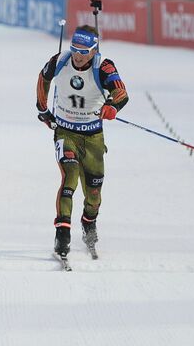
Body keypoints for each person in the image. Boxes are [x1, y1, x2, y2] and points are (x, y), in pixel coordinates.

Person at [35, 25, 128, 257]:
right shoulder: (60, 60)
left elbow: (122, 93)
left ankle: (89, 222)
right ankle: (62, 234)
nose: (78, 55)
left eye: (84, 51)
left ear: (94, 50)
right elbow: (43, 78)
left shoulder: (104, 66)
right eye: (75, 49)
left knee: (94, 194)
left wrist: (112, 107)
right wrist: (43, 108)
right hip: (65, 133)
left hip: (93, 137)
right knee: (70, 178)